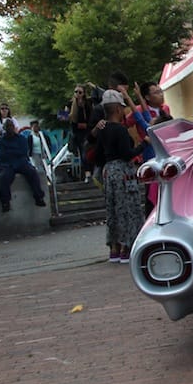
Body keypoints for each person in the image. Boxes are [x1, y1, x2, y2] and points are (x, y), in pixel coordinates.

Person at [94, 89, 146, 264]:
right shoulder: (120, 130)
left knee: (113, 209)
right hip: (123, 172)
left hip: (109, 171)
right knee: (128, 208)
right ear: (117, 109)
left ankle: (114, 248)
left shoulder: (102, 129)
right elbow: (127, 154)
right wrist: (143, 145)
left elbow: (97, 154)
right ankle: (127, 246)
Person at [0, 118, 46, 213]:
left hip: (20, 162)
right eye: (7, 127)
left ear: (13, 127)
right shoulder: (1, 141)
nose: (9, 128)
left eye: (11, 126)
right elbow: (1, 155)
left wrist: (10, 152)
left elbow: (23, 152)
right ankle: (5, 202)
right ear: (4, 129)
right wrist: (14, 153)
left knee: (32, 172)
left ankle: (39, 197)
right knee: (4, 177)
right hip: (7, 164)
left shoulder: (21, 139)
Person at [64, 84, 95, 182]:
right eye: (76, 92)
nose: (77, 94)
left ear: (84, 93)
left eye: (80, 92)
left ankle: (91, 172)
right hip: (77, 132)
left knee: (87, 151)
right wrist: (66, 115)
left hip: (87, 131)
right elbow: (63, 117)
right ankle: (87, 173)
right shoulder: (70, 103)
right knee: (82, 152)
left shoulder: (88, 103)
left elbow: (93, 116)